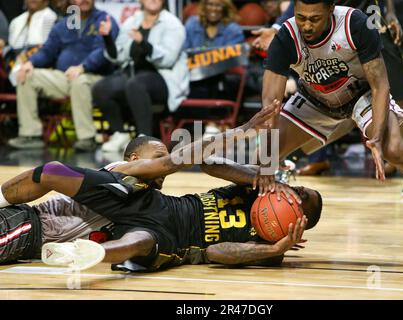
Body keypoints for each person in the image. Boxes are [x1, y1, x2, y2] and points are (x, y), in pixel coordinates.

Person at [0, 104, 319, 271]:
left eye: (304, 197)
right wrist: (255, 167)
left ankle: (87, 254)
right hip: (161, 209)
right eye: (301, 189)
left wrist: (274, 249)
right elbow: (206, 163)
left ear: (300, 219)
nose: (297, 191)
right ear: (136, 157)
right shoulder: (255, 188)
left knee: (139, 241)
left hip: (175, 240)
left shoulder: (271, 249)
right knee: (53, 170)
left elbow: (215, 252)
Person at [253, 0, 403, 236]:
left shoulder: (355, 23)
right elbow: (269, 106)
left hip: (360, 94)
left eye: (314, 19)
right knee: (261, 159)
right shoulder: (286, 36)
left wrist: (376, 138)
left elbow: (380, 85)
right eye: (301, 17)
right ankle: (271, 222)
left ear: (330, 10)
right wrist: (266, 162)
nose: (306, 25)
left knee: (393, 149)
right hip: (315, 98)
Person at [0, 135, 172, 266]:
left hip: (32, 244)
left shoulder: (147, 199)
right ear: (135, 159)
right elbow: (50, 171)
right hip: (29, 226)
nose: (164, 166)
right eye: (159, 157)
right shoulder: (121, 173)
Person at [7, 0, 120, 152]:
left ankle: (87, 138)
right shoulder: (64, 24)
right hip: (66, 77)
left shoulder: (104, 20)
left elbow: (104, 52)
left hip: (96, 77)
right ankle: (30, 135)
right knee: (27, 75)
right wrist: (30, 63)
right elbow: (47, 51)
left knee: (80, 81)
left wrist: (83, 67)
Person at [92, 0, 189, 153]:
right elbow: (119, 56)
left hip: (163, 78)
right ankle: (119, 134)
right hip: (133, 74)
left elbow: (168, 59)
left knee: (136, 84)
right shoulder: (132, 21)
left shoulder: (173, 24)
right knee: (101, 88)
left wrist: (144, 43)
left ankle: (145, 139)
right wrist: (108, 38)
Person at [183, 0, 245, 137]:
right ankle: (206, 126)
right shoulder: (192, 24)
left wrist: (204, 60)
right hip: (193, 78)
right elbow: (184, 53)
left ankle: (213, 124)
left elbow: (232, 60)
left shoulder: (233, 29)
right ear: (204, 6)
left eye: (218, 5)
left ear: (224, 8)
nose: (213, 9)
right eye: (210, 4)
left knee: (221, 76)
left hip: (220, 80)